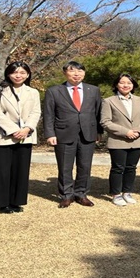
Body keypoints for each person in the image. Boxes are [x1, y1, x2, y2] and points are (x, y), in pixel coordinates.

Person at [43, 61, 102, 208]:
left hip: (88, 133)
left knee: (85, 166)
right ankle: (66, 195)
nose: (77, 74)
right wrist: (50, 133)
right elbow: (48, 114)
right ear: (65, 73)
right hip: (63, 133)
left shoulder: (93, 90)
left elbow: (98, 112)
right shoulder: (54, 91)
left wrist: (99, 131)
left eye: (80, 71)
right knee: (64, 166)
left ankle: (81, 193)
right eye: (72, 71)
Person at [0, 61, 42, 214]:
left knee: (21, 170)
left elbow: (36, 112)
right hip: (2, 136)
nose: (18, 75)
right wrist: (13, 130)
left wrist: (26, 128)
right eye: (15, 72)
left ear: (28, 74)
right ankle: (2, 203)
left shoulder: (33, 92)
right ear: (8, 74)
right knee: (1, 171)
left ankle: (16, 201)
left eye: (22, 72)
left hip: (25, 136)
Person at [100, 74, 140, 206]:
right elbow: (105, 122)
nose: (125, 85)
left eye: (129, 83)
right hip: (118, 140)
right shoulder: (109, 101)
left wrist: (138, 131)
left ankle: (127, 192)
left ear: (133, 85)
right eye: (122, 83)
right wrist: (126, 132)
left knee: (131, 168)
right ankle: (116, 194)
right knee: (117, 168)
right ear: (116, 85)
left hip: (137, 139)